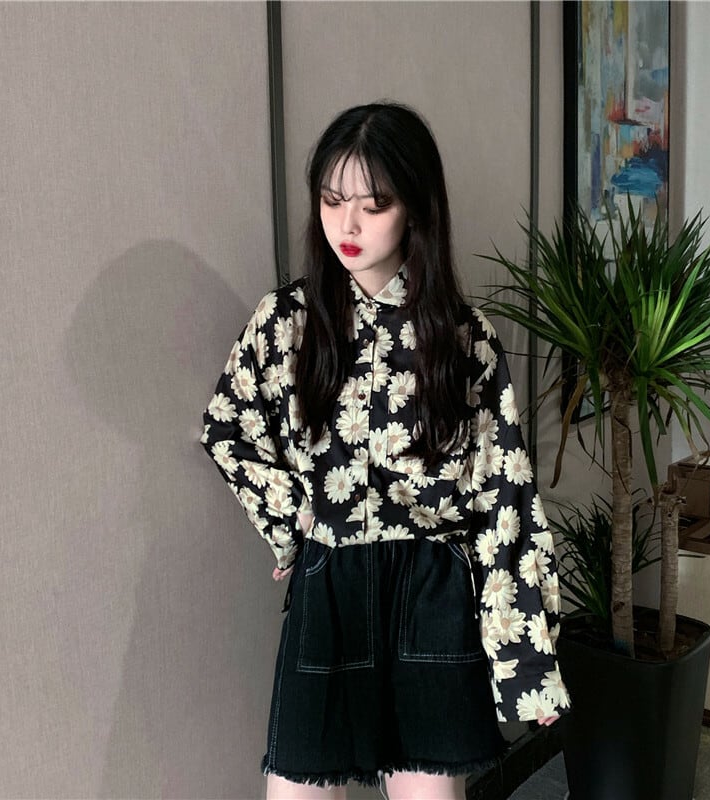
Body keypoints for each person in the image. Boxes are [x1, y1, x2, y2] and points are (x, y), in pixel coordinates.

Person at [201, 102, 570, 800]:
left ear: (415, 209)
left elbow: (506, 501)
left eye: (374, 205)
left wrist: (526, 662)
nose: (347, 224)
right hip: (330, 587)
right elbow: (228, 427)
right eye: (331, 200)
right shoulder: (286, 323)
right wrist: (289, 521)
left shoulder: (463, 339)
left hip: (431, 593)